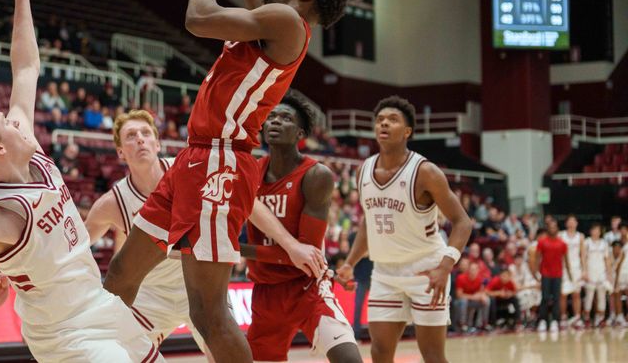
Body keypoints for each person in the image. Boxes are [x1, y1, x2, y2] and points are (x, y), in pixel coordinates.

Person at [103, 0, 347, 361]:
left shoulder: (285, 22)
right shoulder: (270, 15)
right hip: (194, 157)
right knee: (120, 276)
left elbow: (197, 18)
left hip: (221, 162)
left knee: (207, 311)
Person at [0, 0, 157, 362]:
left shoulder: (22, 144)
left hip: (100, 305)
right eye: (5, 123)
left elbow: (26, 66)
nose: (15, 119)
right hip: (63, 334)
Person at [86, 109, 319, 357]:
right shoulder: (111, 203)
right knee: (115, 351)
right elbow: (75, 249)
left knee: (223, 352)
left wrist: (291, 245)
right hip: (152, 297)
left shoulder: (189, 167)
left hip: (199, 283)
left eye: (145, 133)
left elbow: (249, 205)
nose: (140, 139)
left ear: (158, 143)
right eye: (131, 135)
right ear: (120, 152)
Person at [337, 96, 473, 363]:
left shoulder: (426, 172)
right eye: (379, 120)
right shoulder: (363, 170)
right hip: (385, 272)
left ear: (407, 131)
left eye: (392, 120)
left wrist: (445, 267)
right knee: (379, 352)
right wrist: (350, 262)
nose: (384, 124)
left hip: (426, 270)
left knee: (432, 356)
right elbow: (369, 222)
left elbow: (463, 222)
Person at [240, 96, 361, 362]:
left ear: (301, 133)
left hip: (306, 287)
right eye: (271, 117)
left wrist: (239, 249)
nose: (275, 122)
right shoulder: (249, 173)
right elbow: (293, 252)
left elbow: (303, 257)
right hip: (265, 293)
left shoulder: (316, 175)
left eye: (285, 118)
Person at [532, 218, 572, 333]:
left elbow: (566, 260)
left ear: (557, 229)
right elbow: (537, 258)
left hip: (558, 275)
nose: (552, 229)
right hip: (545, 275)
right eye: (550, 227)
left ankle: (555, 321)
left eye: (554, 227)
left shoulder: (562, 244)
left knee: (556, 299)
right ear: (547, 229)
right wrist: (535, 273)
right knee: (544, 298)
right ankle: (543, 321)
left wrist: (570, 275)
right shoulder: (542, 242)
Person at [583, 223, 612, 327]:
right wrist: (585, 272)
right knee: (589, 297)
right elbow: (583, 258)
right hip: (590, 272)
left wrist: (609, 274)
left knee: (602, 297)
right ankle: (586, 318)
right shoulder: (587, 242)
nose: (596, 232)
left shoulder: (604, 243)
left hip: (601, 273)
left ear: (600, 232)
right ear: (590, 231)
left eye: (598, 230)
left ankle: (600, 318)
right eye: (594, 230)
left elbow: (607, 259)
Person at [560, 214, 585, 328]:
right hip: (564, 268)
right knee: (563, 294)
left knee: (576, 294)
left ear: (576, 223)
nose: (571, 223)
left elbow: (582, 255)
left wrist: (584, 270)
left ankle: (577, 317)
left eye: (573, 221)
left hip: (576, 268)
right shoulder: (561, 235)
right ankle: (563, 317)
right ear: (566, 223)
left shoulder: (580, 236)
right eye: (569, 221)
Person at [454, 261, 490, 332]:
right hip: (460, 301)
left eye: (475, 269)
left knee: (486, 300)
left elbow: (482, 292)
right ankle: (462, 324)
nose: (473, 271)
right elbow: (459, 295)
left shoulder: (480, 278)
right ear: (468, 270)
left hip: (472, 301)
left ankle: (484, 323)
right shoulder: (461, 277)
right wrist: (473, 297)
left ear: (478, 270)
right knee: (464, 301)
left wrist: (481, 295)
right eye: (471, 269)